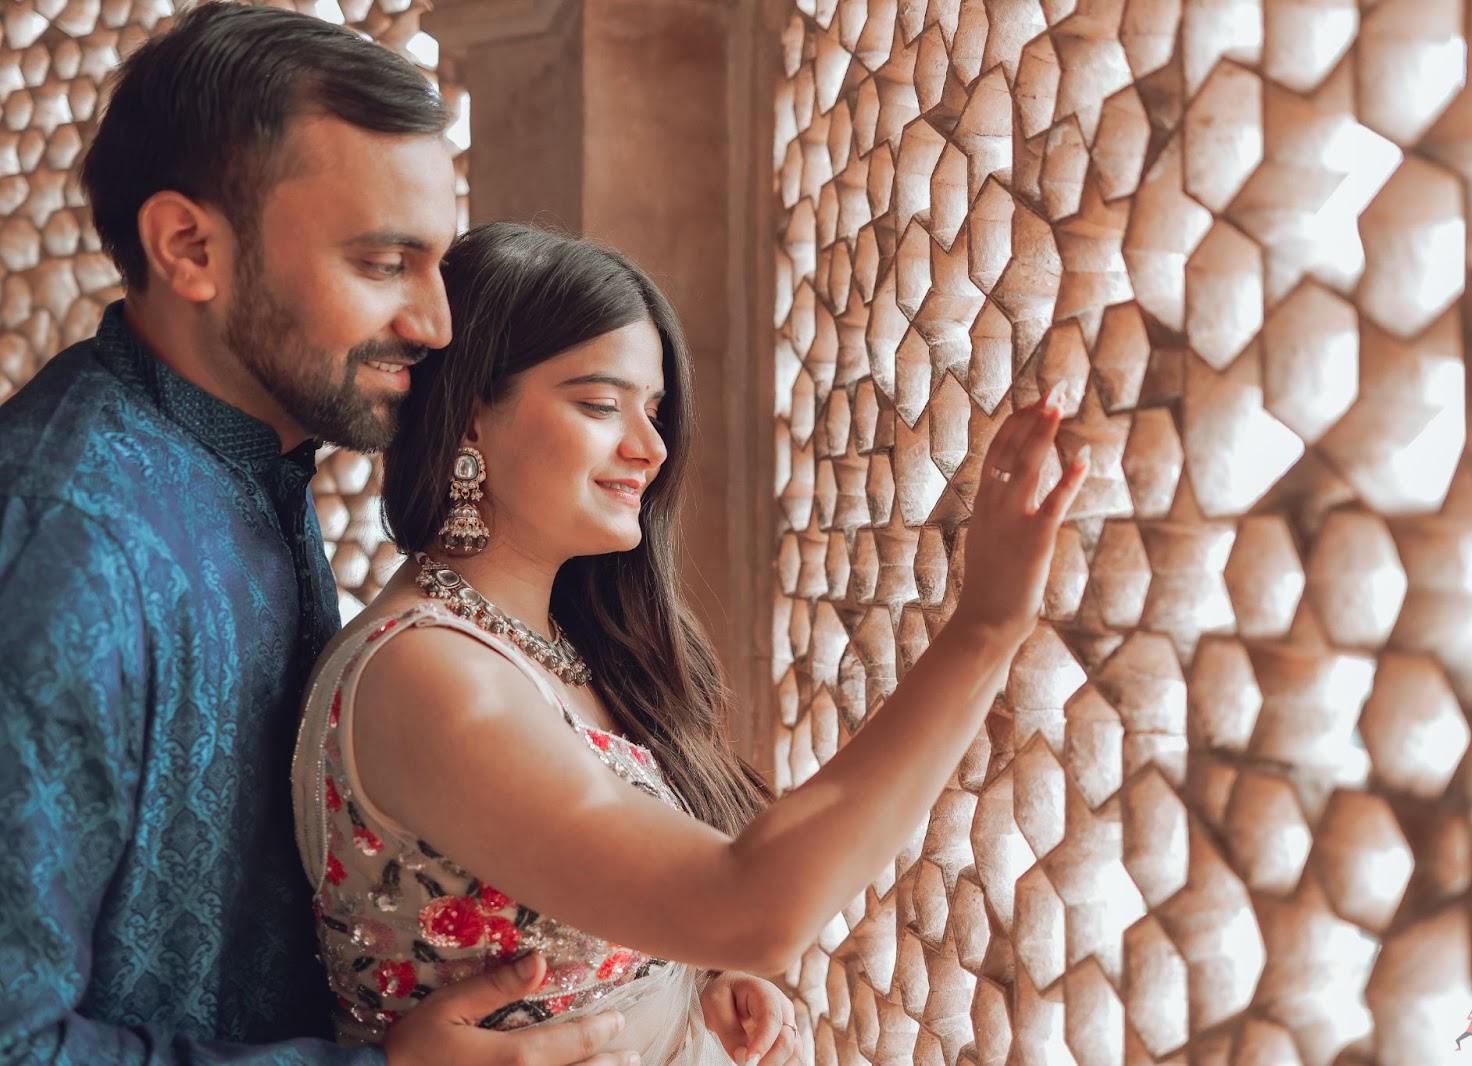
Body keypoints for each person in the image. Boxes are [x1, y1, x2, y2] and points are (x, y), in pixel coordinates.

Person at [291, 222, 1091, 1064]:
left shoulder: (545, 645)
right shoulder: (431, 674)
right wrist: (985, 628)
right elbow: (754, 911)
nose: (651, 447)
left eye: (654, 410)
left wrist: (669, 978)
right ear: (472, 420)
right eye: (600, 404)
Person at [0, 6, 633, 1063]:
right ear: (189, 247)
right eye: (385, 263)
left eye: (437, 265)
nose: (435, 324)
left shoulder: (257, 462)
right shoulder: (65, 550)